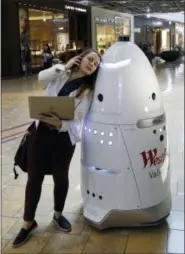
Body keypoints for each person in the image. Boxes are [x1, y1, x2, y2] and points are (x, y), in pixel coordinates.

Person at [13, 48, 101, 248]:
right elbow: (41, 78)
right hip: (40, 134)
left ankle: (58, 214)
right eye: (91, 59)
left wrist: (61, 125)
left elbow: (81, 122)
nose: (92, 64)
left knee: (61, 177)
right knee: (34, 177)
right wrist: (64, 66)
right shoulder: (61, 73)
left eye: (96, 64)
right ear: (81, 58)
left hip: (63, 138)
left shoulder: (89, 91)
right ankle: (28, 222)